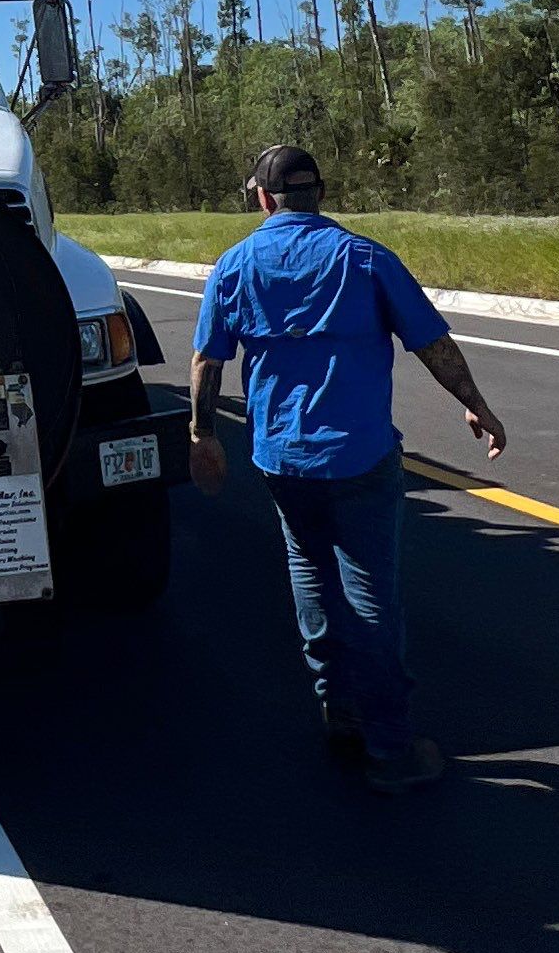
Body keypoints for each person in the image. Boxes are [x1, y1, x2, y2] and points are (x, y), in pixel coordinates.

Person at [187, 144, 509, 792]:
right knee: (369, 598)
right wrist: (475, 406)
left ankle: (339, 713)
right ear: (321, 193)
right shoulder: (367, 260)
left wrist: (201, 433)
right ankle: (389, 745)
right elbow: (433, 344)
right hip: (359, 458)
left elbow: (207, 363)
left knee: (311, 579)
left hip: (283, 459)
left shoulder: (235, 266)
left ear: (263, 198)